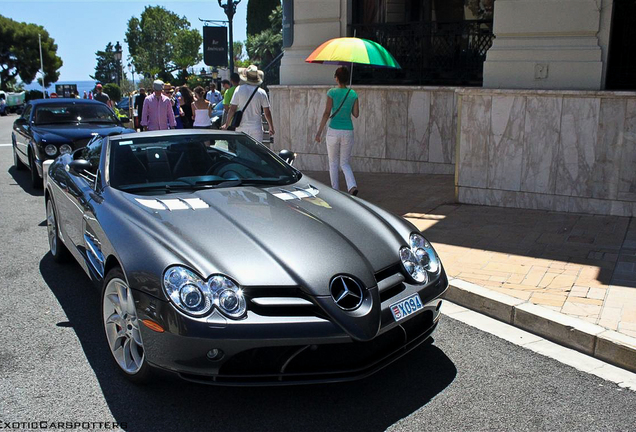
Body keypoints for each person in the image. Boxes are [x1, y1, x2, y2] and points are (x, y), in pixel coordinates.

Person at [315, 66, 359, 195]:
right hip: (348, 131)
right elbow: (356, 114)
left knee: (333, 162)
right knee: (344, 163)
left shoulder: (332, 92)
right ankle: (352, 186)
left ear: (337, 78)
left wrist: (319, 132)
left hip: (333, 131)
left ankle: (335, 191)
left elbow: (326, 113)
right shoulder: (353, 93)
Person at [222, 65, 275, 143]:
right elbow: (267, 112)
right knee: (256, 152)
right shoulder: (262, 92)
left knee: (242, 153)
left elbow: (232, 109)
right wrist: (271, 127)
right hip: (256, 128)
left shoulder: (239, 89)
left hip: (241, 127)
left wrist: (226, 124)